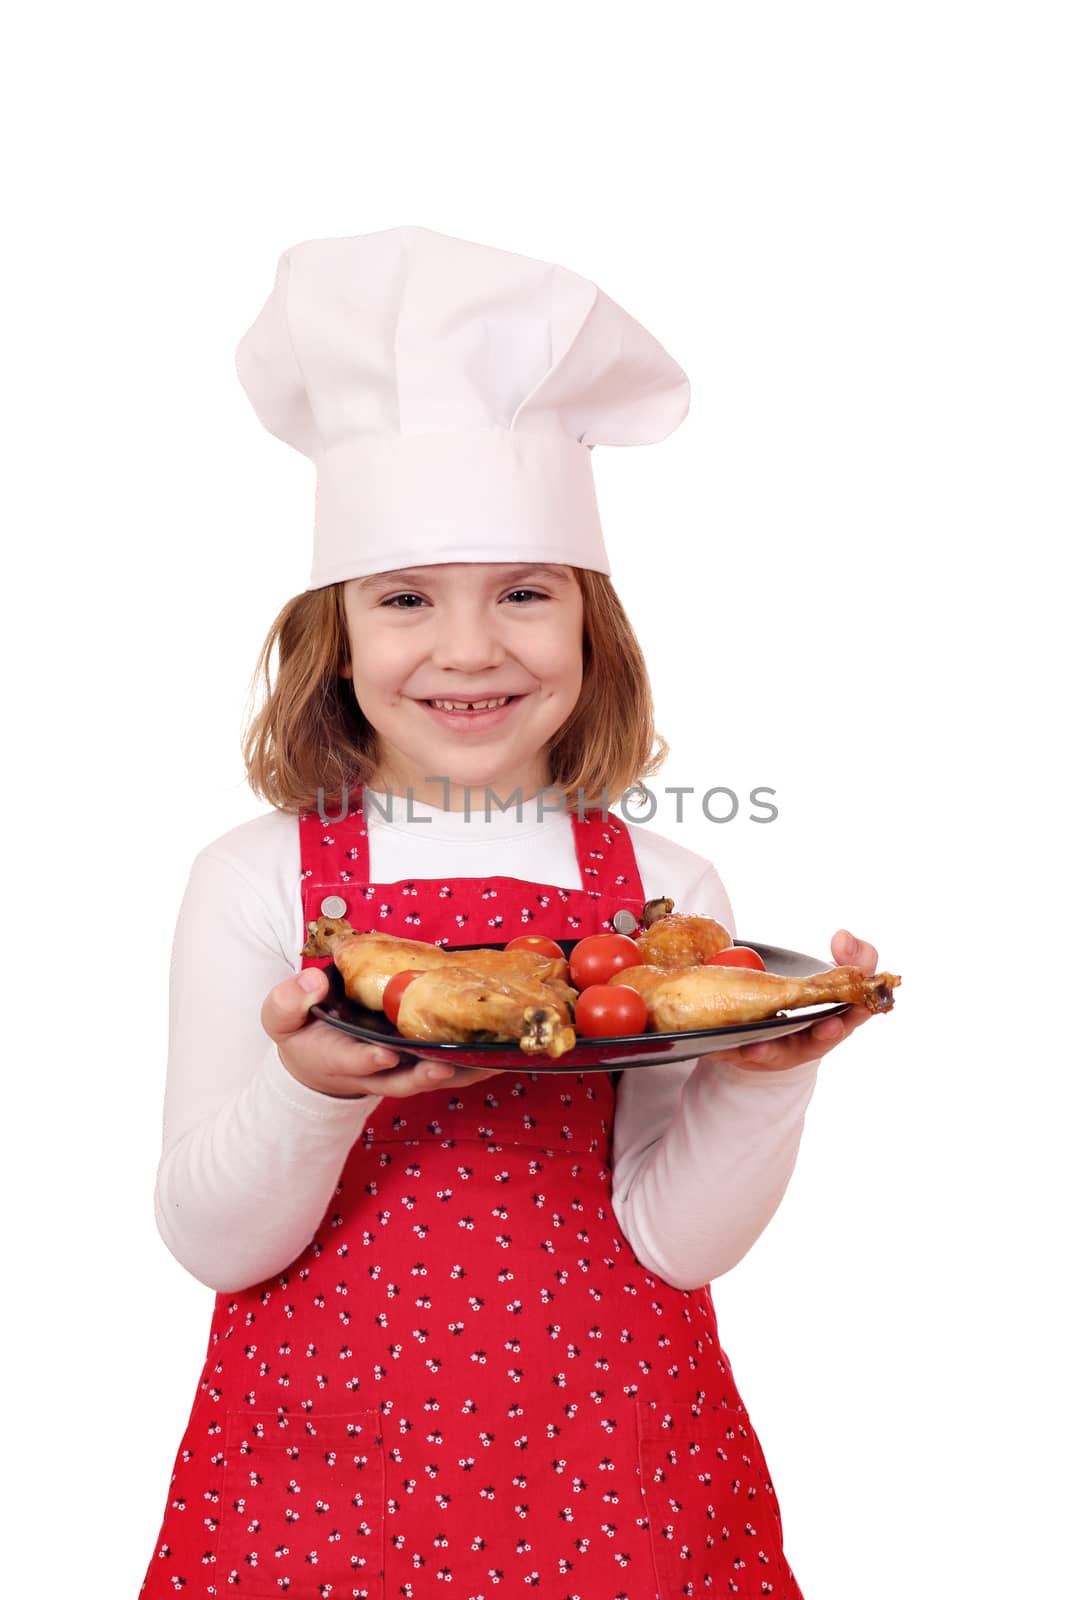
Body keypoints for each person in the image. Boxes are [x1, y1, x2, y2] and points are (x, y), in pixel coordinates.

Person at [139, 225, 886, 1600]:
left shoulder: (667, 897)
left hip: (620, 1460)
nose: (471, 648)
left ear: (591, 630)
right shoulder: (257, 880)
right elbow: (210, 1239)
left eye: (525, 594)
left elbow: (676, 1243)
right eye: (408, 597)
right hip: (321, 1471)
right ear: (337, 639)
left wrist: (764, 1085)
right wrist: (315, 1091)